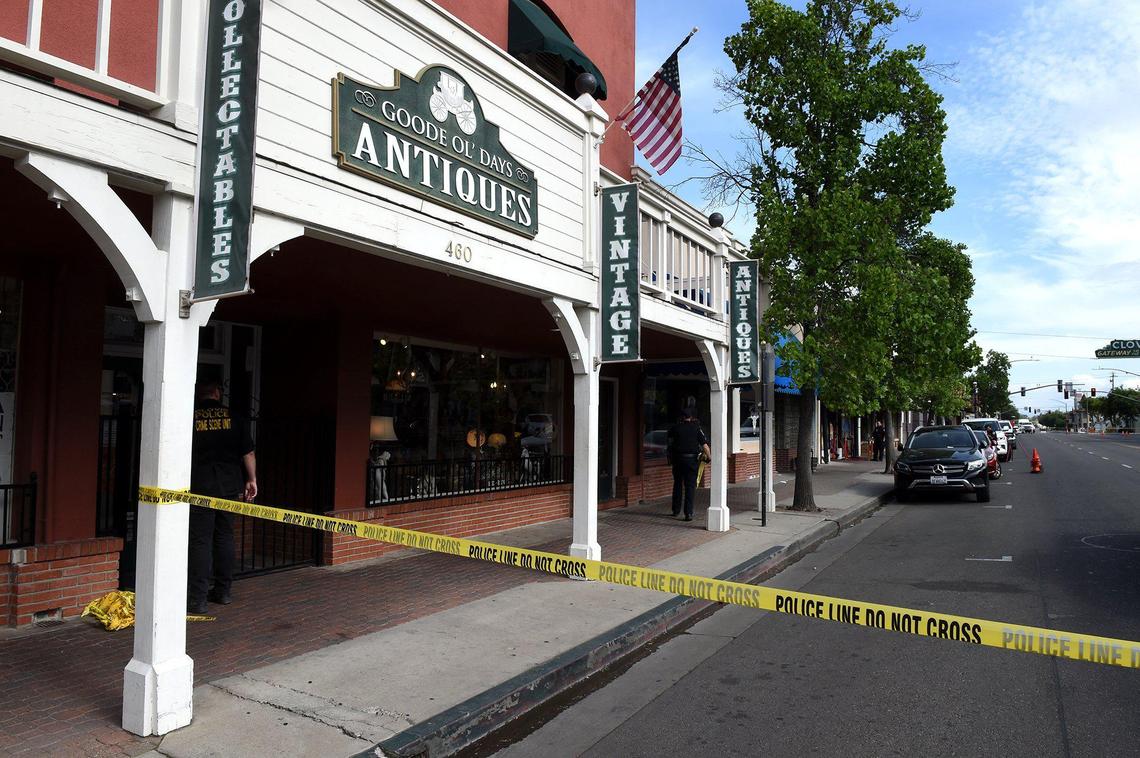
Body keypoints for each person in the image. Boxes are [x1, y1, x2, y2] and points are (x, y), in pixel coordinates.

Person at [188, 380, 257, 614]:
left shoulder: (190, 417)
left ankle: (198, 598)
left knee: (201, 541)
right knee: (225, 536)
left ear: (200, 395)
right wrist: (252, 479)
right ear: (218, 393)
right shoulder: (235, 417)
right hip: (228, 485)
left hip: (199, 485)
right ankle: (223, 591)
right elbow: (247, 451)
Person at [667, 398, 711, 522]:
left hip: (678, 460)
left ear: (682, 417)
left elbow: (669, 441)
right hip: (691, 461)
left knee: (677, 485)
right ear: (691, 417)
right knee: (690, 487)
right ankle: (688, 513)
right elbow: (705, 446)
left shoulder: (675, 428)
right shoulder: (696, 428)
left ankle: (675, 510)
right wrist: (709, 457)